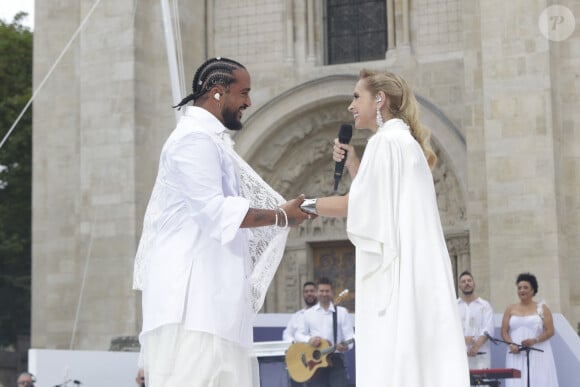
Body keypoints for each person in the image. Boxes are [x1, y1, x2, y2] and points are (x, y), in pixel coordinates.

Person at [133, 57, 309, 387]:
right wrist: (282, 216)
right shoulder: (192, 140)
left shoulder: (209, 139)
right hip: (193, 305)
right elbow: (216, 213)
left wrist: (279, 214)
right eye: (243, 93)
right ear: (217, 93)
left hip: (213, 303)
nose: (248, 102)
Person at [299, 69, 470, 386]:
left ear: (380, 99)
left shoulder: (384, 143)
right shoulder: (404, 142)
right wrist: (353, 162)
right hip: (418, 268)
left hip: (397, 272)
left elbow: (356, 204)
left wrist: (302, 206)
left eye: (356, 96)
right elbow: (377, 199)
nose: (351, 106)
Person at [501, 273, 559, 387]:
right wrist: (511, 344)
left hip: (538, 352)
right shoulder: (510, 308)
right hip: (516, 352)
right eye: (519, 288)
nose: (522, 290)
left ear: (533, 290)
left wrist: (535, 340)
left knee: (538, 380)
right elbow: (504, 331)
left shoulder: (542, 308)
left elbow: (550, 331)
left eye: (525, 287)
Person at [294, 277, 354, 387]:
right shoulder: (308, 313)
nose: (324, 294)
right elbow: (298, 334)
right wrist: (309, 339)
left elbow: (350, 337)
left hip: (336, 360)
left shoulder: (342, 312)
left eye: (327, 291)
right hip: (315, 361)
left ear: (332, 292)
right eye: (321, 291)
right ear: (317, 292)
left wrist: (346, 346)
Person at [457, 270, 494, 369]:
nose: (467, 283)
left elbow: (489, 329)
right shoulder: (454, 306)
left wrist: (476, 346)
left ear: (474, 284)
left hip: (481, 356)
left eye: (469, 280)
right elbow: (449, 330)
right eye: (463, 282)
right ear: (460, 286)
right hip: (460, 356)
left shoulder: (485, 306)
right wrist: (463, 339)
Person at [282, 281, 317, 387]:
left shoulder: (323, 314)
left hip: (317, 360)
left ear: (317, 293)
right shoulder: (297, 316)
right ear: (303, 294)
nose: (309, 294)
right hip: (300, 361)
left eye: (312, 291)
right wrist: (292, 343)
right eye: (306, 292)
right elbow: (287, 333)